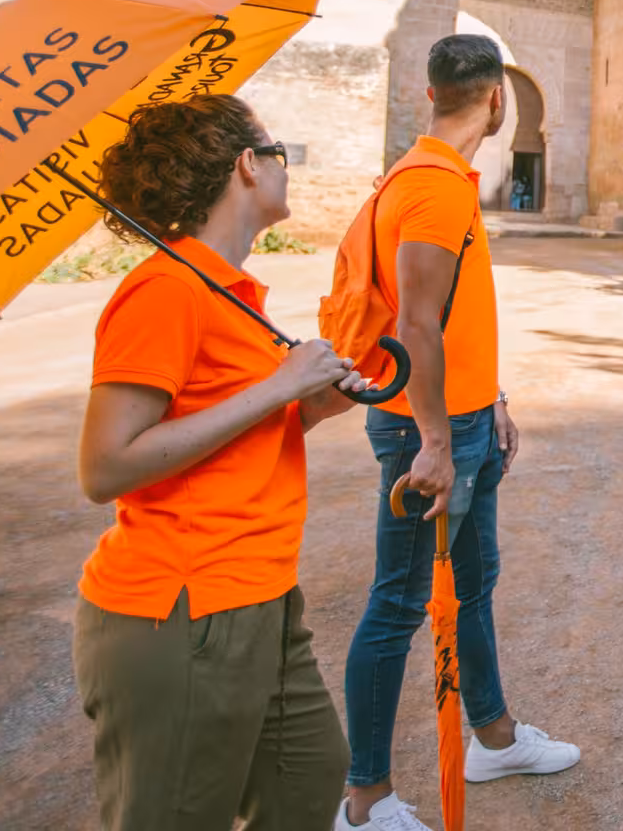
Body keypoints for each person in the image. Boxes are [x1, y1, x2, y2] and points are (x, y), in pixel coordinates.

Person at [74, 94, 374, 831]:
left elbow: (227, 427)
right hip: (183, 607)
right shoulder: (165, 291)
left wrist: (311, 404)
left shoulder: (227, 292)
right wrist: (280, 385)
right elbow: (105, 467)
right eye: (277, 152)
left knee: (307, 782)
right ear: (248, 164)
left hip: (260, 597)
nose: (284, 167)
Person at [337, 35, 579, 831]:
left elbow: (451, 318)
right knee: (400, 603)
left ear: (429, 92)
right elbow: (414, 323)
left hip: (462, 419)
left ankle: (494, 738)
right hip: (428, 432)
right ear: (499, 100)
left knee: (472, 585)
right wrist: (436, 443)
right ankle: (366, 801)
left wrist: (492, 396)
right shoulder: (436, 188)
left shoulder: (427, 178)